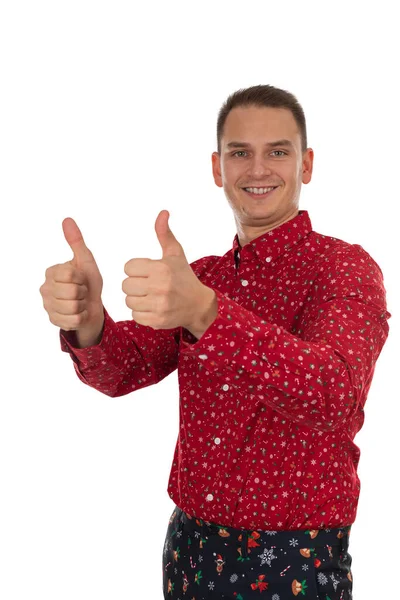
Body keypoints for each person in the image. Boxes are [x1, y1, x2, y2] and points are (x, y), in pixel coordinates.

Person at [39, 84, 391, 600]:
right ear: (217, 168)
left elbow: (333, 394)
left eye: (278, 151)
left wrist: (208, 315)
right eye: (239, 153)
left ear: (306, 164)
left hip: (295, 557)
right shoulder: (202, 278)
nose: (257, 169)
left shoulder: (342, 268)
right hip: (189, 548)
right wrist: (90, 322)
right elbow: (121, 370)